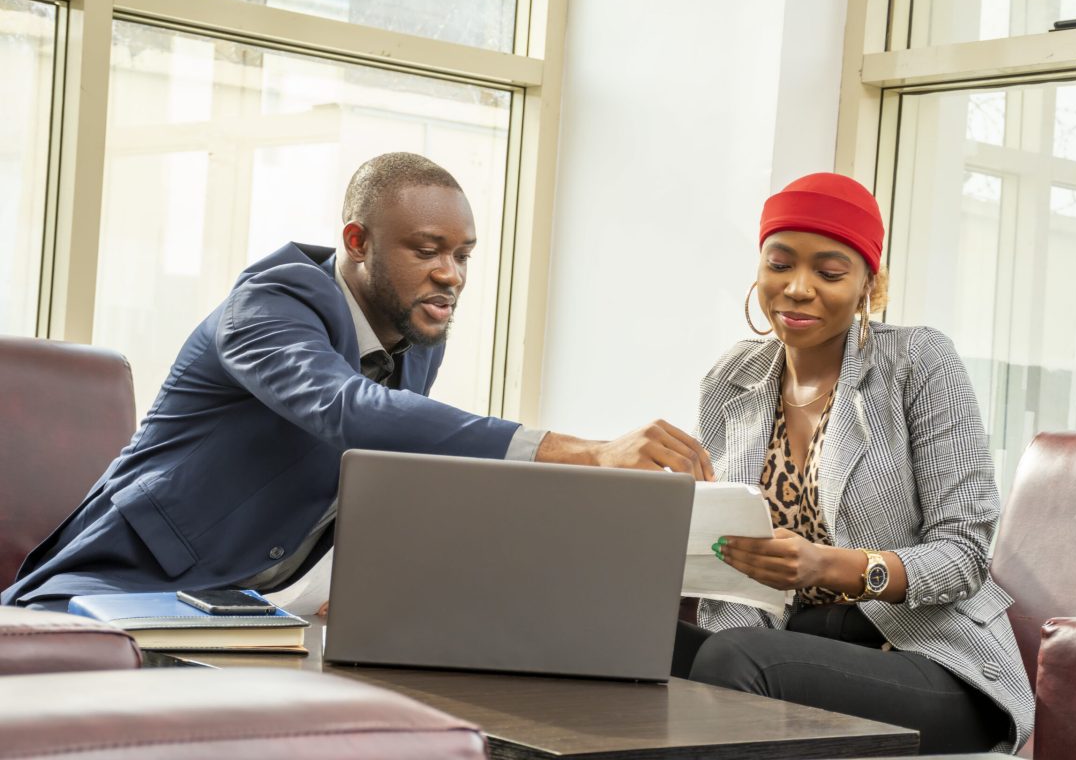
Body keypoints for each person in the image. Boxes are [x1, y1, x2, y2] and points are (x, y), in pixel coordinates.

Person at [2, 152, 712, 611]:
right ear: (357, 243)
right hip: (117, 587)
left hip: (246, 602)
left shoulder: (413, 330)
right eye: (427, 250)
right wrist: (585, 450)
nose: (451, 275)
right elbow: (350, 413)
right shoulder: (268, 305)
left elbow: (383, 471)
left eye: (463, 254)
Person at [672, 172, 1032, 754]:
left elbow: (964, 554)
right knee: (627, 645)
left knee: (737, 661)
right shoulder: (732, 378)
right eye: (780, 264)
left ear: (870, 284)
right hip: (781, 643)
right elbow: (725, 550)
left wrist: (829, 566)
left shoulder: (917, 362)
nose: (797, 288)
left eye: (830, 272)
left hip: (926, 658)